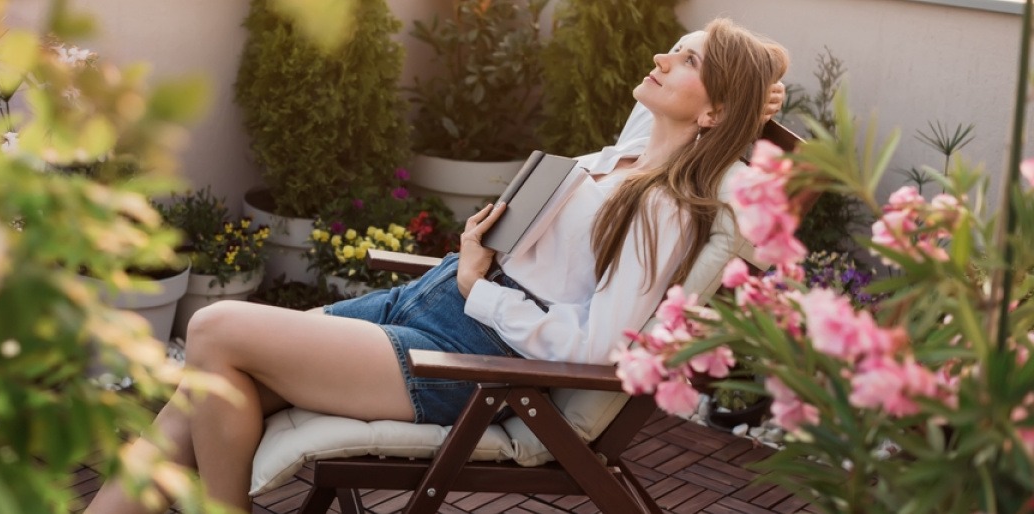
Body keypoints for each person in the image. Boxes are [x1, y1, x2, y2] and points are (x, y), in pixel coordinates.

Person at [85, 17, 789, 514]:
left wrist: (479, 286)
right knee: (200, 391)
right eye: (673, 50)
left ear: (711, 112)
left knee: (215, 332)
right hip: (432, 304)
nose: (662, 60)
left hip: (470, 351)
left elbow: (598, 347)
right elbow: (681, 123)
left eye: (687, 60)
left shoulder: (663, 208)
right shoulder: (628, 157)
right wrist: (753, 98)